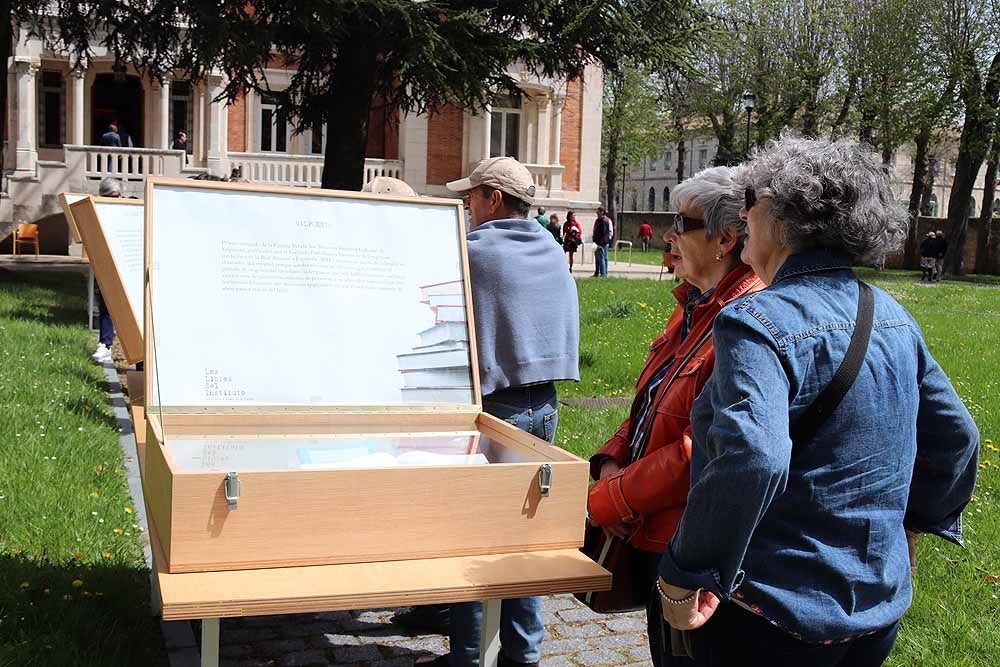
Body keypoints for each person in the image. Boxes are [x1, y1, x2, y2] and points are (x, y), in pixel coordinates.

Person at [657, 136, 979, 666]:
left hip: (770, 613)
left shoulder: (754, 321)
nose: (742, 215)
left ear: (783, 219)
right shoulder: (893, 316)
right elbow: (958, 439)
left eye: (751, 200)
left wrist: (687, 572)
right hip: (873, 612)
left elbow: (750, 456)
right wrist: (913, 524)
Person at [587, 167, 763, 667]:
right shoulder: (692, 305)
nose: (667, 235)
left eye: (679, 222)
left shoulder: (747, 321)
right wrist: (612, 459)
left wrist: (611, 498)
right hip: (652, 521)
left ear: (724, 239)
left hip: (688, 543)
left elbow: (700, 451)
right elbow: (650, 404)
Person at [409, 156, 578, 667]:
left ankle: (467, 656)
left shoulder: (474, 251)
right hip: (544, 403)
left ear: (494, 200)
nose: (466, 206)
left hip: (494, 406)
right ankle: (523, 654)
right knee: (523, 535)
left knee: (474, 537)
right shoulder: (550, 247)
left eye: (471, 197)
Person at [91, 177, 124, 364]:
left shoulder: (128, 209)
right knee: (106, 304)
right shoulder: (96, 211)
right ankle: (105, 344)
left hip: (125, 263)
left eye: (117, 196)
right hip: (106, 263)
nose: (115, 199)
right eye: (110, 196)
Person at [592, 207, 613, 277]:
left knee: (602, 258)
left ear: (602, 212)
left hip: (602, 243)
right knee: (598, 258)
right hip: (597, 242)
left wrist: (602, 243)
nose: (597, 214)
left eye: (598, 212)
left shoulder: (605, 221)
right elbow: (596, 231)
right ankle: (598, 272)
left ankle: (603, 273)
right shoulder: (598, 220)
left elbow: (605, 233)